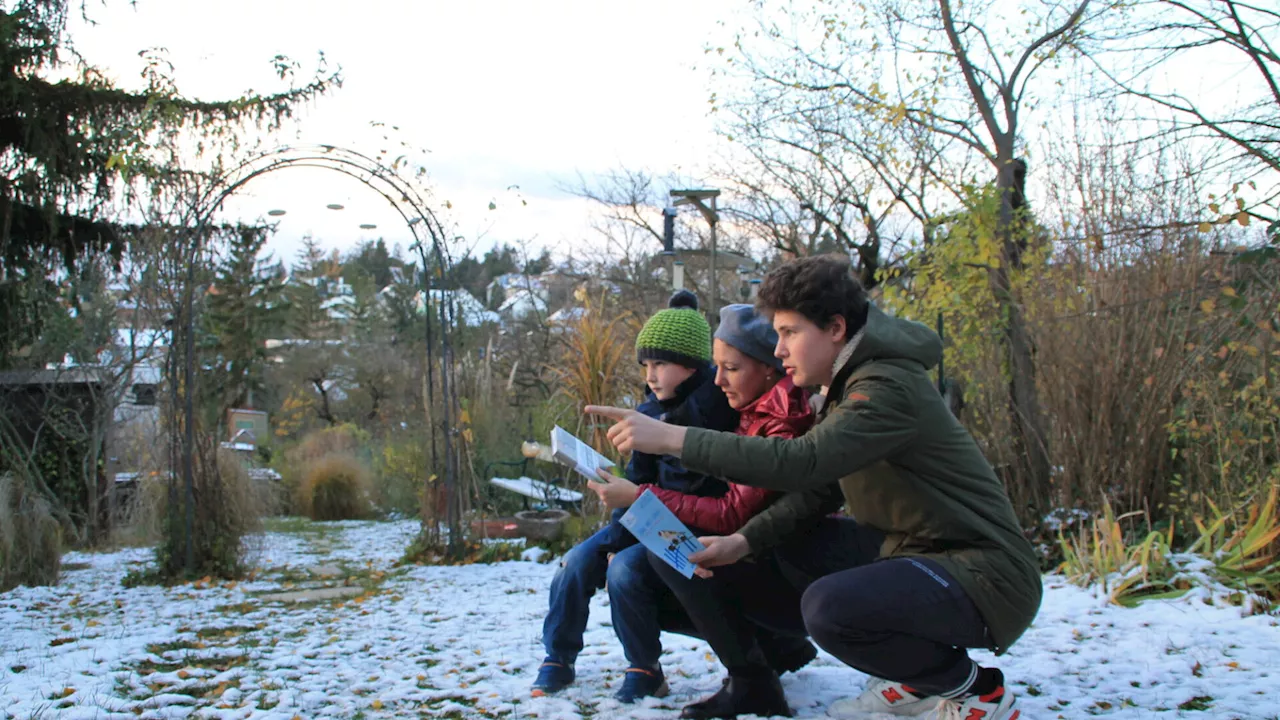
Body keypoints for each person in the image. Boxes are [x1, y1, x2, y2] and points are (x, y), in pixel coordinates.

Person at [586, 255, 1042, 720]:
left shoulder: (885, 387)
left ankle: (974, 690)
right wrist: (743, 542)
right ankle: (812, 681)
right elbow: (823, 488)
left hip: (985, 574)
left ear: (836, 329)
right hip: (917, 554)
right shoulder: (849, 386)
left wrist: (672, 438)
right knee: (778, 547)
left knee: (830, 608)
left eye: (789, 333)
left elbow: (803, 462)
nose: (778, 350)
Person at [585, 303, 818, 703]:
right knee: (631, 563)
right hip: (761, 560)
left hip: (793, 576)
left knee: (668, 557)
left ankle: (755, 674)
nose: (718, 380)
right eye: (716, 367)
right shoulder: (745, 408)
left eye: (730, 368)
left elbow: (731, 511)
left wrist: (640, 498)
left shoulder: (780, 421)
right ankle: (767, 655)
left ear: (767, 367)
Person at [531, 289, 738, 697]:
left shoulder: (720, 414)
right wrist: (618, 515)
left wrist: (633, 520)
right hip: (643, 519)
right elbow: (638, 479)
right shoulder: (645, 414)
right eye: (645, 364)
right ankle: (558, 656)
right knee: (573, 563)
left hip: (691, 528)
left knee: (623, 569)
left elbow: (715, 495)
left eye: (661, 363)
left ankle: (645, 668)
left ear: (694, 365)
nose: (650, 374)